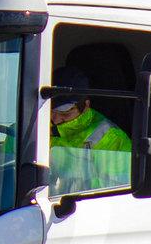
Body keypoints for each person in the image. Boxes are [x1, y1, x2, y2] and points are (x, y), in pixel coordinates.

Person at [48, 65, 131, 197]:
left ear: (86, 105)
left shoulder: (111, 137)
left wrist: (69, 182)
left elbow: (114, 193)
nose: (56, 119)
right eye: (51, 111)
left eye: (65, 113)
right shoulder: (37, 126)